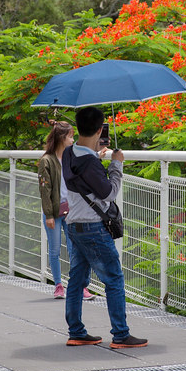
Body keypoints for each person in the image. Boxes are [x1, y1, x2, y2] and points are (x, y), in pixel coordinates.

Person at [61, 106, 147, 349]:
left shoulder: (69, 153)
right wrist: (116, 164)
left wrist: (96, 157)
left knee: (77, 279)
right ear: (100, 130)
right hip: (92, 228)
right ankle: (121, 334)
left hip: (73, 225)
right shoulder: (89, 162)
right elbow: (109, 193)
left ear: (78, 127)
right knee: (114, 279)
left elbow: (83, 176)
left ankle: (76, 331)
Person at [38, 121, 94, 301]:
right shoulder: (46, 160)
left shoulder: (72, 157)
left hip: (71, 211)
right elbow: (44, 190)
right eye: (70, 136)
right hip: (53, 212)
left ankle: (80, 286)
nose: (73, 139)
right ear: (62, 138)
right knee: (54, 250)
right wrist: (48, 215)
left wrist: (97, 156)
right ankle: (58, 285)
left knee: (75, 249)